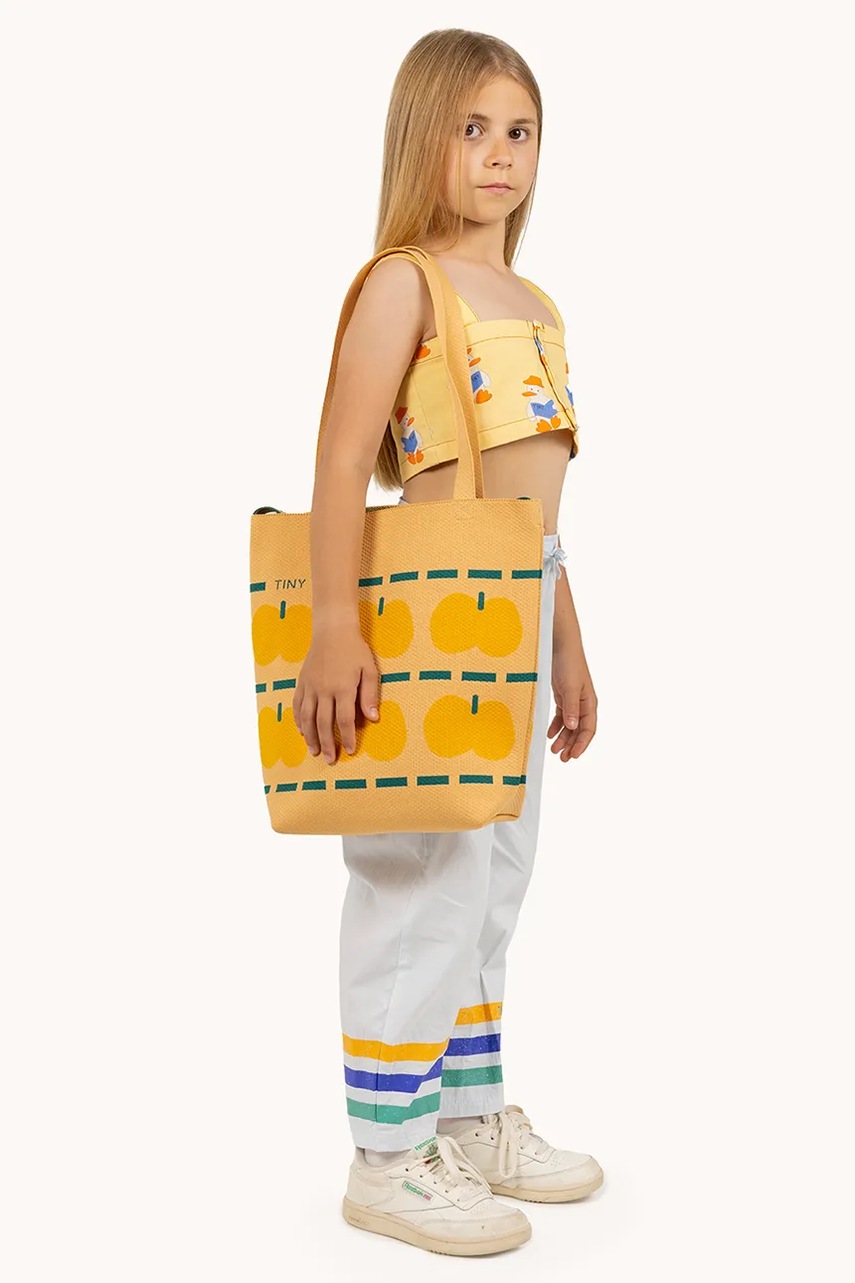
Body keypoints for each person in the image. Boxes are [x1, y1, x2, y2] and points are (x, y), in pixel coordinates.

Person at [291, 28, 602, 1257]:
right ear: (422, 136)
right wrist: (334, 623)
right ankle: (386, 1153)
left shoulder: (535, 303)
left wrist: (568, 644)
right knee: (420, 877)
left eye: (519, 131)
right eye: (472, 129)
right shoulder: (403, 285)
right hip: (429, 626)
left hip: (517, 615)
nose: (500, 154)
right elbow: (339, 458)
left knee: (490, 881)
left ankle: (465, 1117)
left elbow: (537, 512)